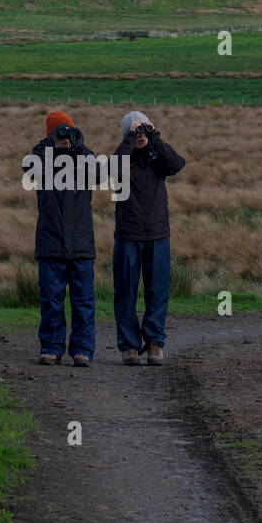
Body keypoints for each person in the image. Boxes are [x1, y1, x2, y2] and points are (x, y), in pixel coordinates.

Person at [112, 110, 185, 366]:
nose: (140, 136)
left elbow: (177, 164)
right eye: (135, 132)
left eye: (143, 130)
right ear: (127, 135)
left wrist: (155, 138)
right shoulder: (121, 158)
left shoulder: (157, 157)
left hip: (157, 234)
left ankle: (155, 343)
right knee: (125, 292)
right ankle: (129, 345)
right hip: (128, 234)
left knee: (158, 292)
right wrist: (130, 139)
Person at [25, 110, 98, 366]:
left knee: (83, 301)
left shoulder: (82, 161)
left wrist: (80, 147)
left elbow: (100, 173)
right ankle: (51, 347)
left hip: (80, 245)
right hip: (51, 243)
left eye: (68, 132)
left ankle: (83, 349)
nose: (66, 138)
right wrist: (50, 144)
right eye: (60, 133)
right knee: (51, 300)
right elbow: (28, 167)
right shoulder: (42, 162)